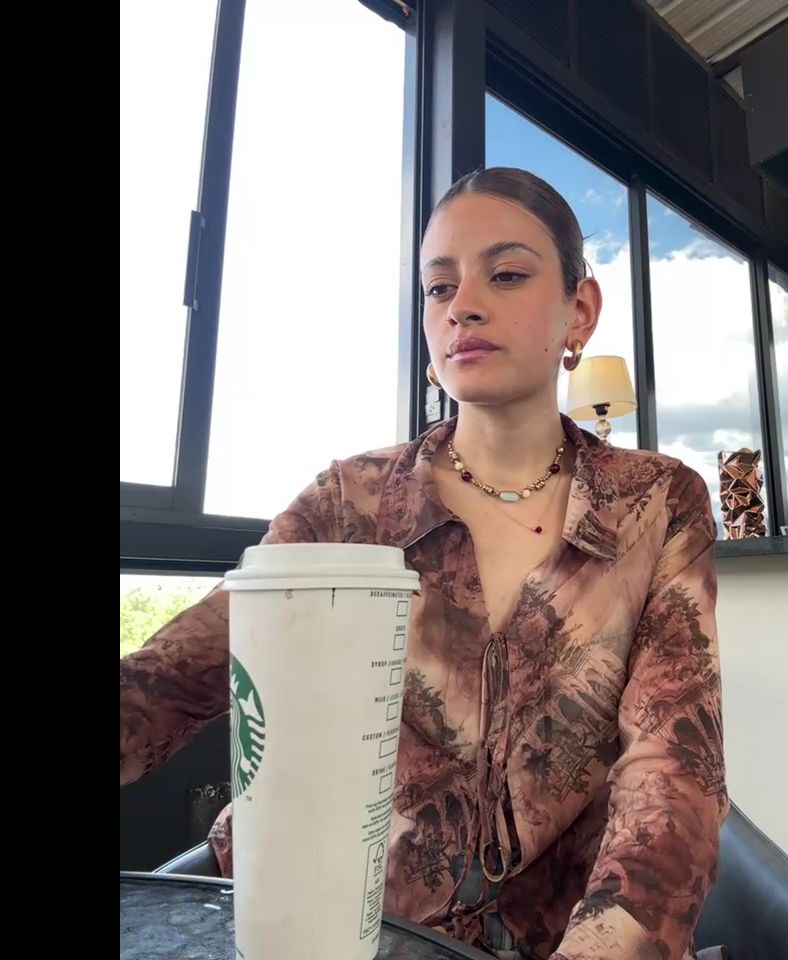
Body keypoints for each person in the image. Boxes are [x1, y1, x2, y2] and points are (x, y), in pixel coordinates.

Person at [120, 167, 727, 960]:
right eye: (439, 288)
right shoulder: (350, 502)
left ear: (580, 311)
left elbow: (672, 772)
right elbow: (169, 678)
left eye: (505, 275)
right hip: (314, 926)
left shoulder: (655, 503)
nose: (461, 305)